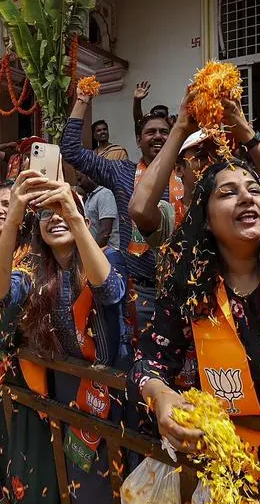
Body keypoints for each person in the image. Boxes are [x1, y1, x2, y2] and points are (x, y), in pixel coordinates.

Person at [0, 170, 126, 504]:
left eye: (63, 209)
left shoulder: (107, 256)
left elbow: (108, 291)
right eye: (46, 214)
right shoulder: (32, 272)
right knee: (75, 495)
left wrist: (75, 216)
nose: (55, 218)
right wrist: (15, 216)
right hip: (63, 394)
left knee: (109, 497)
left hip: (111, 394)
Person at [128, 161, 260, 476]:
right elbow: (147, 365)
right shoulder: (189, 294)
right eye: (228, 193)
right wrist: (161, 395)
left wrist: (249, 137)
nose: (246, 198)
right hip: (238, 482)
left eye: (255, 191)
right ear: (207, 220)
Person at [61, 81, 179, 336]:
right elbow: (70, 150)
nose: (158, 136)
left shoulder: (187, 174)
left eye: (164, 132)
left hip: (184, 288)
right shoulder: (121, 172)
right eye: (150, 132)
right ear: (138, 140)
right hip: (140, 291)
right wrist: (82, 100)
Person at [129, 94, 260, 248]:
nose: (212, 163)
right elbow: (140, 210)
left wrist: (243, 127)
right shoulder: (171, 215)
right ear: (178, 169)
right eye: (201, 156)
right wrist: (180, 129)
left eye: (219, 155)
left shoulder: (245, 208)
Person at [77, 171, 120, 249]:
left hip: (108, 252)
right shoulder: (89, 198)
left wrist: (95, 252)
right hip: (98, 251)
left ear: (90, 177)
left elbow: (105, 232)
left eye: (80, 180)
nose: (79, 184)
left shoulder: (104, 194)